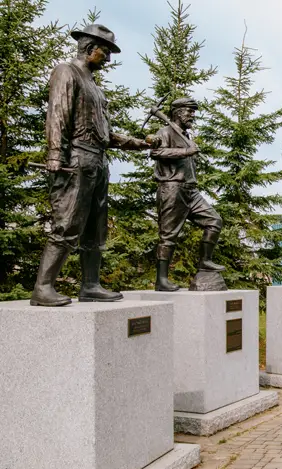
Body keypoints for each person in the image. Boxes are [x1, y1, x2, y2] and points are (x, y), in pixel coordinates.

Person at [30, 24, 160, 307]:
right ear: (89, 48)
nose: (109, 59)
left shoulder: (95, 88)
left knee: (95, 229)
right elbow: (57, 117)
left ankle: (90, 285)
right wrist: (55, 155)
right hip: (77, 160)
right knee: (66, 224)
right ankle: (43, 287)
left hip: (98, 162)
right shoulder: (67, 72)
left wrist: (138, 143)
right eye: (106, 51)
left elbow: (105, 134)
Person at [149, 97, 224, 292]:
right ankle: (162, 280)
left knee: (214, 221)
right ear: (177, 112)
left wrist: (187, 148)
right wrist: (186, 151)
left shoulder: (184, 135)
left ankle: (205, 261)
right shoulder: (165, 132)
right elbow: (156, 153)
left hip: (191, 190)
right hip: (172, 188)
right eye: (189, 111)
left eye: (193, 111)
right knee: (168, 235)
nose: (192, 115)